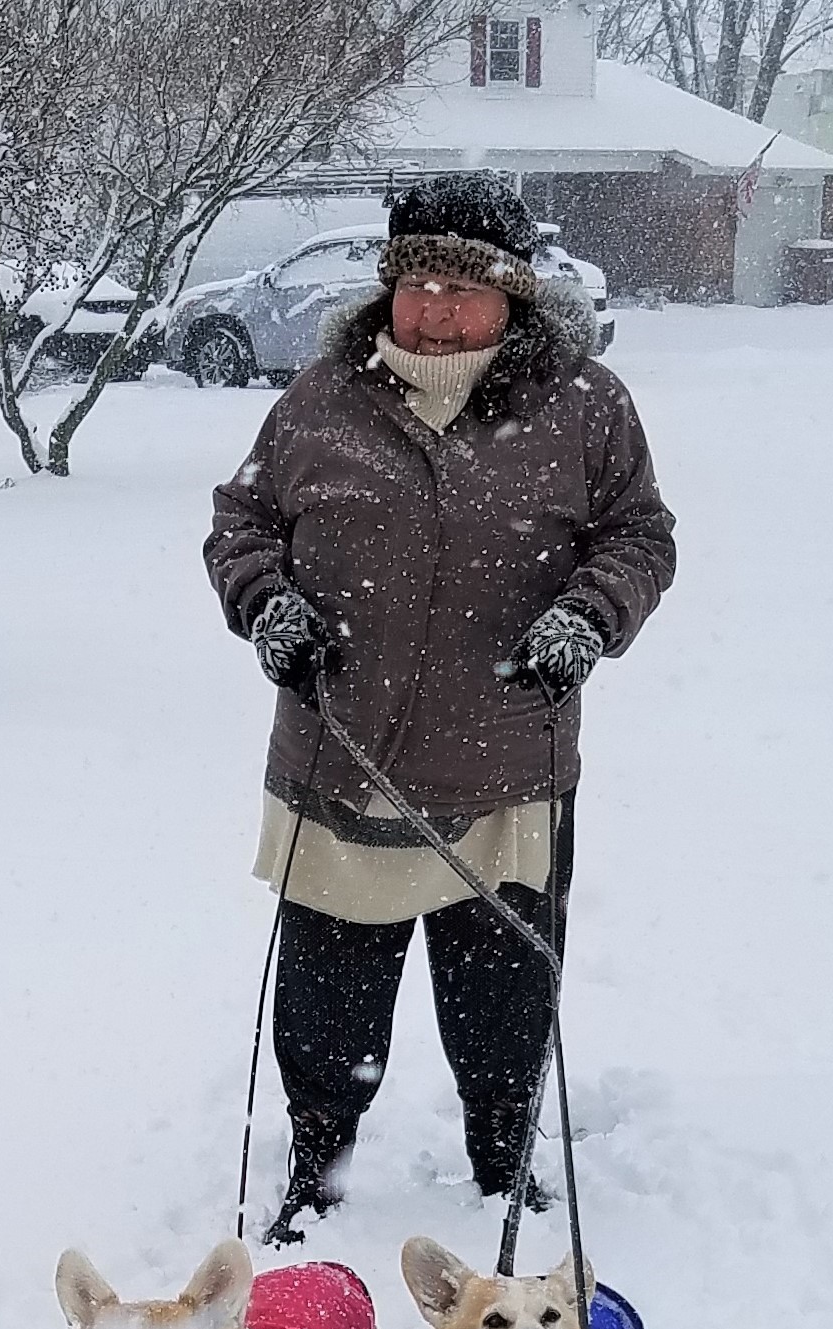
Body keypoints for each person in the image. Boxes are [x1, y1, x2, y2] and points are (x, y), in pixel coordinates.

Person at [205, 174, 675, 1245]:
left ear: (515, 299)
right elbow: (242, 522)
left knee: (501, 996)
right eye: (417, 281)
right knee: (327, 1000)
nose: (436, 309)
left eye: (466, 289)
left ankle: (502, 1160)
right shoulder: (321, 399)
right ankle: (317, 1163)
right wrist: (265, 602)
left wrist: (588, 618)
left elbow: (639, 537)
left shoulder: (585, 405)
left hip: (507, 756)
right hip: (344, 753)